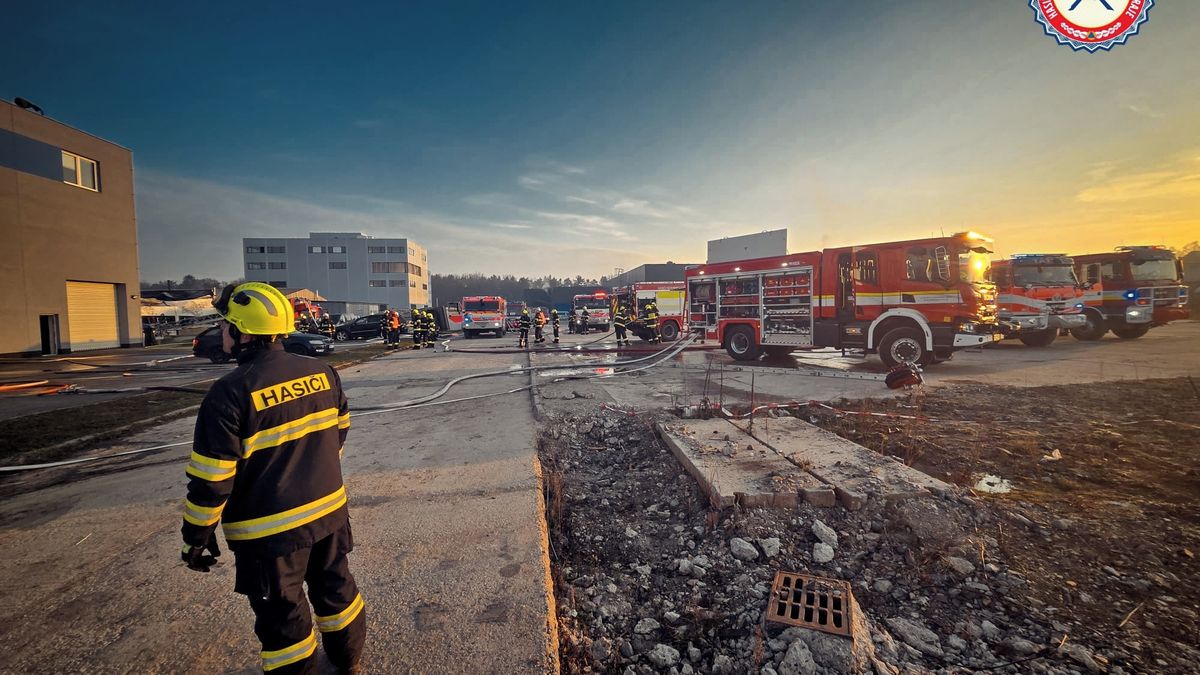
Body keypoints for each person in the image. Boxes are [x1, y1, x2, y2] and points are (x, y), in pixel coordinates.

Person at [180, 282, 365, 675]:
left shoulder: (230, 394)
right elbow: (339, 431)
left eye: (226, 325)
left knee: (283, 613)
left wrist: (197, 536)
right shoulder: (322, 373)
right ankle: (348, 659)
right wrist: (313, 471)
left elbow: (212, 479)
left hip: (270, 533)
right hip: (329, 511)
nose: (223, 332)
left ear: (243, 332)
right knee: (337, 589)